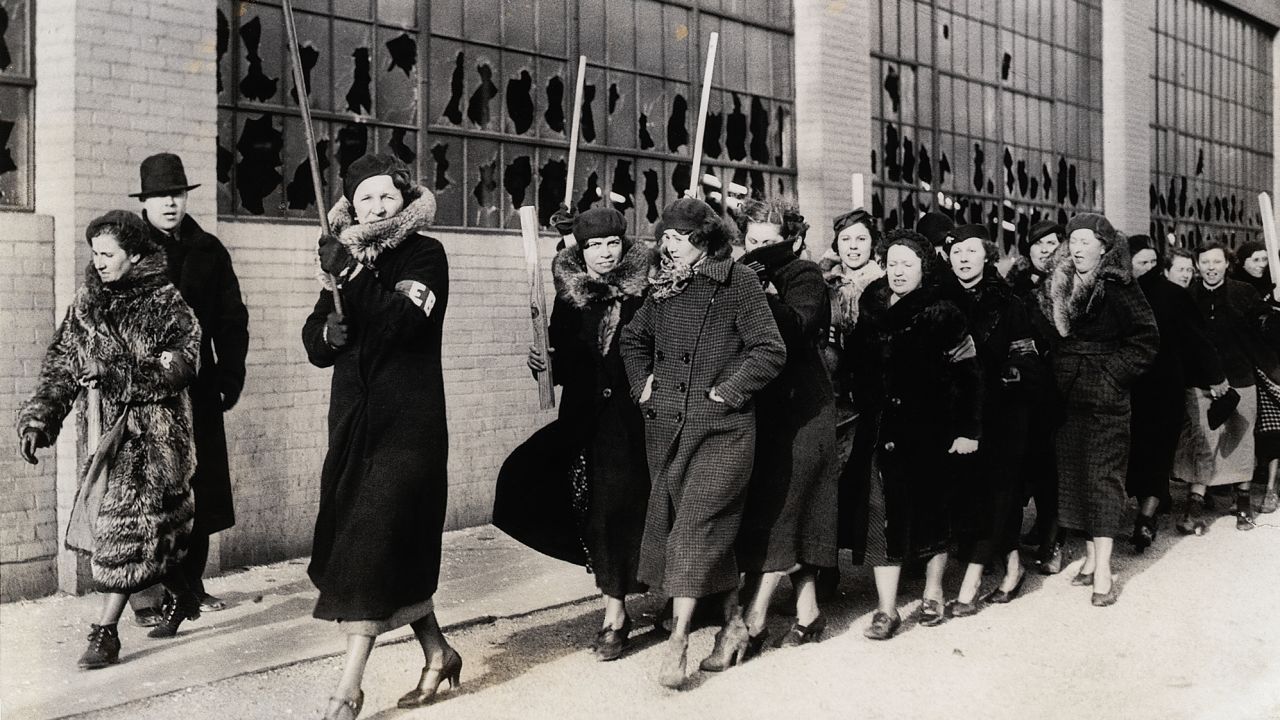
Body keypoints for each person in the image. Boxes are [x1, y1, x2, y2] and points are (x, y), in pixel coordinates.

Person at [300, 154, 454, 719]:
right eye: (364, 198)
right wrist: (327, 332)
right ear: (350, 206)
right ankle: (437, 651)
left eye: (386, 196)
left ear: (404, 198)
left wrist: (354, 276)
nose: (376, 207)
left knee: (370, 543)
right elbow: (315, 347)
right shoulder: (344, 261)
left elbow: (404, 323)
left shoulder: (425, 254)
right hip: (353, 425)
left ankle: (348, 688)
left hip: (408, 429)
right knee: (384, 543)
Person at [17, 211, 203, 667]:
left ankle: (104, 634)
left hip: (153, 437)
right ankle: (182, 591)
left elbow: (181, 365)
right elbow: (62, 363)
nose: (98, 262)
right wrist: (40, 419)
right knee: (146, 533)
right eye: (94, 253)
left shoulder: (166, 302)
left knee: (124, 530)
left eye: (108, 254)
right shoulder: (86, 305)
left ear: (135, 255)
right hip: (103, 434)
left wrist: (116, 373)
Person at [619, 197, 786, 688]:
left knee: (694, 527)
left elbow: (769, 348)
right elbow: (633, 340)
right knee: (699, 532)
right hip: (669, 429)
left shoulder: (738, 282)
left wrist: (726, 391)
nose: (666, 247)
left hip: (722, 431)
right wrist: (642, 384)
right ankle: (733, 624)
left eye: (677, 238)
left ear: (704, 240)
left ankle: (678, 643)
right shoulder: (665, 287)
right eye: (664, 237)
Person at [497, 206, 654, 661]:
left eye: (611, 244)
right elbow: (563, 363)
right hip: (585, 424)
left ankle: (679, 594)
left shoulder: (646, 294)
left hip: (634, 422)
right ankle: (615, 615)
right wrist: (542, 364)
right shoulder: (571, 298)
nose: (604, 254)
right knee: (598, 514)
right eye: (593, 247)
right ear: (581, 252)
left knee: (635, 510)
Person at [841, 229, 982, 639]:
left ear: (924, 267)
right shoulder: (871, 303)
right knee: (881, 516)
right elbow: (854, 360)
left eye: (908, 264)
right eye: (893, 263)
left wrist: (967, 430)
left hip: (930, 430)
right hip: (880, 429)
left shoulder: (943, 311)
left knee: (931, 511)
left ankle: (933, 591)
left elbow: (969, 373)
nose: (898, 271)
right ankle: (886, 609)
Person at [127, 152, 249, 625]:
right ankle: (148, 595)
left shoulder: (209, 250)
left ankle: (191, 585)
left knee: (198, 486)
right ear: (146, 201)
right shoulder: (126, 248)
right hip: (145, 394)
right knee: (146, 491)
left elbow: (231, 319)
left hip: (197, 390)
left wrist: (229, 376)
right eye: (160, 196)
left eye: (176, 194)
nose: (170, 203)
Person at [731, 200, 838, 655]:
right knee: (788, 509)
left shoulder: (804, 275)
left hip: (805, 408)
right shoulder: (738, 273)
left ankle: (754, 619)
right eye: (752, 242)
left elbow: (798, 324)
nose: (759, 250)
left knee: (785, 506)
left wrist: (763, 295)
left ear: (790, 241)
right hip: (763, 408)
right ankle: (809, 612)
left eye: (769, 243)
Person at [1037, 213, 1158, 606]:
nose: (1077, 247)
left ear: (1104, 246)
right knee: (1074, 477)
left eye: (1086, 241)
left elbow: (1145, 339)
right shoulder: (1060, 282)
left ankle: (1104, 570)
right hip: (1067, 395)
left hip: (1106, 396)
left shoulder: (1118, 285)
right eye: (1072, 240)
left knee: (1103, 478)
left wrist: (1112, 376)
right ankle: (1089, 558)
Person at [941, 224, 1038, 615]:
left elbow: (1026, 357)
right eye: (957, 252)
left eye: (971, 251)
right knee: (967, 495)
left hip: (1002, 412)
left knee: (997, 493)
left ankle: (972, 580)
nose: (963, 259)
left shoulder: (1009, 303)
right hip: (955, 413)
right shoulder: (940, 300)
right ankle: (1013, 566)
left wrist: (1005, 375)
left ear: (987, 256)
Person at [1126, 235, 1223, 550]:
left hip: (1159, 386)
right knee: (1146, 451)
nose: (1150, 268)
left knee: (1154, 449)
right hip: (1135, 387)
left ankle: (1147, 515)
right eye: (1143, 262)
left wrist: (1216, 376)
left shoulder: (1166, 294)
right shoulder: (1122, 294)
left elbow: (1197, 340)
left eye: (1153, 262)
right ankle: (1150, 506)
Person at [1174, 241, 1279, 533]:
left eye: (1216, 262)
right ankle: (1194, 503)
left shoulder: (1244, 293)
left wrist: (1275, 311)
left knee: (1241, 438)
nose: (1211, 268)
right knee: (1203, 440)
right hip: (1200, 382)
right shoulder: (1188, 296)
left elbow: (1265, 327)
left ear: (1227, 264)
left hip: (1240, 377)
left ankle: (1242, 502)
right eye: (1205, 262)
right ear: (1197, 265)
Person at [1006, 220, 1066, 573]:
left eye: (1051, 243)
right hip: (1023, 390)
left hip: (1057, 390)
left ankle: (1053, 538)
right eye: (1037, 244)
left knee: (1050, 469)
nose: (1045, 250)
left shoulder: (1071, 285)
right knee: (1024, 466)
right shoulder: (1016, 287)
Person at [1230, 239, 1280, 514]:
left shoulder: (1274, 289)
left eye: (1265, 259)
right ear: (1243, 262)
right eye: (1256, 260)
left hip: (1270, 366)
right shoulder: (1236, 289)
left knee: (1272, 430)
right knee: (1243, 428)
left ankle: (1271, 489)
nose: (1262, 265)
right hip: (1244, 366)